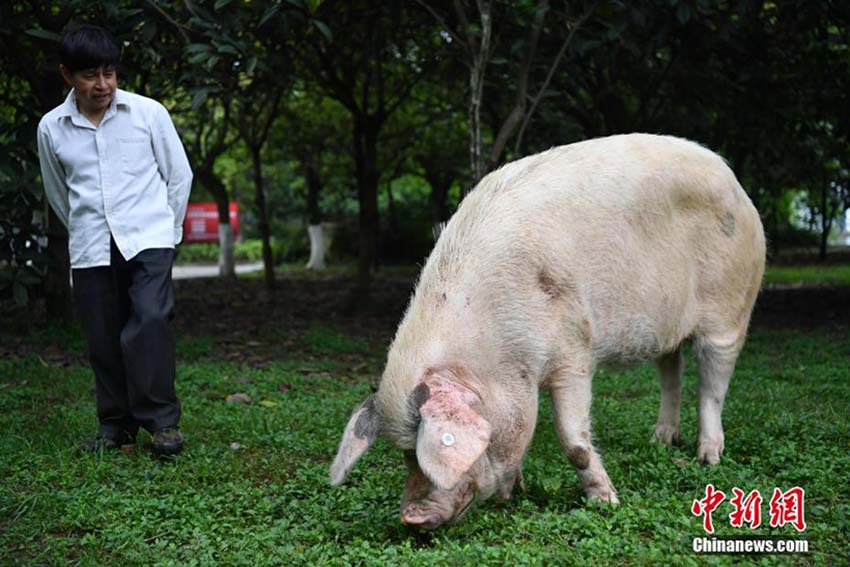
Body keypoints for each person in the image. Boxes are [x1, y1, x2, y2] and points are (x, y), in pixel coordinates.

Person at [37, 24, 193, 455]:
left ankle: (162, 423)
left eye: (109, 73)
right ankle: (115, 425)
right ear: (67, 74)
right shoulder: (52, 128)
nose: (102, 85)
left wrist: (169, 232)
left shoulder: (148, 113)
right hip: (91, 244)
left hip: (149, 236)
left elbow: (178, 176)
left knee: (150, 322)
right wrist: (84, 229)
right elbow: (58, 192)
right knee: (102, 335)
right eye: (90, 75)